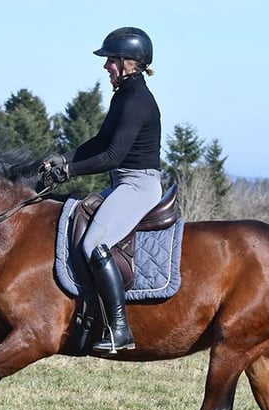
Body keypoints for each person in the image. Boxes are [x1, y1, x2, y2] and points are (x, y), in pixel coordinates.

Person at [40, 27, 163, 355]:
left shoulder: (137, 101)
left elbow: (112, 156)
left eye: (111, 59)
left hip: (139, 185)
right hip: (124, 181)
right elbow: (99, 141)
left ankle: (120, 328)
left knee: (95, 244)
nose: (106, 65)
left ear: (129, 63)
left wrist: (70, 171)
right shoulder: (123, 95)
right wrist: (64, 159)